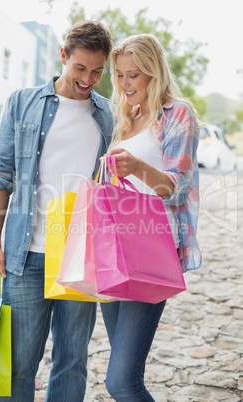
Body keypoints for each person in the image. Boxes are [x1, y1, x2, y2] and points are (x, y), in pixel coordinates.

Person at [0, 20, 113, 402]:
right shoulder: (22, 102)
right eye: (80, 68)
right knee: (18, 365)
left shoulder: (107, 115)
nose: (88, 79)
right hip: (25, 255)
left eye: (97, 70)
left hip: (79, 253)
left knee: (72, 362)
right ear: (63, 57)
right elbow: (0, 173)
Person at [101, 33, 202, 401]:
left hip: (151, 248)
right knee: (123, 373)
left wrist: (138, 167)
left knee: (121, 382)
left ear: (153, 72)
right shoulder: (127, 116)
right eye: (120, 75)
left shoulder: (178, 114)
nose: (125, 84)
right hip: (115, 248)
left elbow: (178, 187)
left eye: (134, 75)